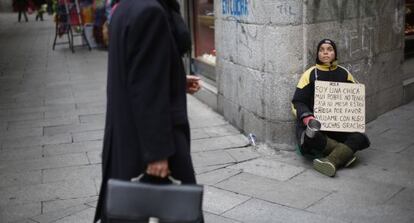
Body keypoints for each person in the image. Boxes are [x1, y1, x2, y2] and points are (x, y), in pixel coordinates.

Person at [94, 0, 201, 222]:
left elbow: (137, 70)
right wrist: (157, 154)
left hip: (129, 137)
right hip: (153, 141)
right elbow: (146, 89)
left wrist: (175, 78)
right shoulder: (150, 12)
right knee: (184, 213)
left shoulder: (127, 6)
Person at [291, 39, 370, 177]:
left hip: (338, 126)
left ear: (335, 53)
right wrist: (308, 118)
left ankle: (331, 160)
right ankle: (343, 155)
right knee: (311, 137)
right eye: (322, 50)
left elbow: (356, 98)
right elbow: (297, 102)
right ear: (317, 54)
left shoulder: (344, 73)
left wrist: (354, 117)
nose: (325, 52)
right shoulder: (310, 74)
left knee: (360, 138)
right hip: (316, 126)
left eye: (329, 49)